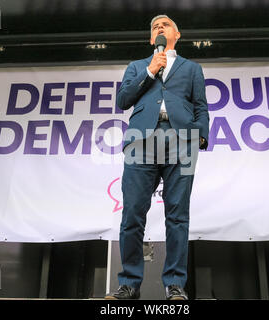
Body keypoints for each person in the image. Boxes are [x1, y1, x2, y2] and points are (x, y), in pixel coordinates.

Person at [105, 14, 209, 300]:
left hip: (181, 142)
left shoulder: (192, 68)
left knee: (177, 216)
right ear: (152, 39)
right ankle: (129, 284)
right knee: (132, 215)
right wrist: (150, 71)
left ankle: (175, 284)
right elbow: (122, 100)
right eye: (154, 27)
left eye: (165, 25)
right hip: (141, 141)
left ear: (177, 34)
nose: (159, 28)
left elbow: (200, 106)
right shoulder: (137, 66)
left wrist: (200, 136)